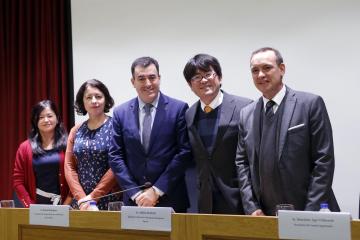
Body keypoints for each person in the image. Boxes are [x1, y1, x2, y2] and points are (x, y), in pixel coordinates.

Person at [235, 47, 340, 216]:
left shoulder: (310, 104)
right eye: (255, 70)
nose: (260, 74)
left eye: (267, 68)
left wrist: (309, 214)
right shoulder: (246, 114)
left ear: (282, 69)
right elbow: (242, 164)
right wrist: (251, 207)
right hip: (264, 216)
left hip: (309, 211)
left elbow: (324, 161)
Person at [109, 56, 192, 212]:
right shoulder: (120, 113)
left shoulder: (179, 109)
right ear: (133, 82)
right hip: (135, 202)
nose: (148, 83)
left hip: (171, 198)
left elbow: (184, 153)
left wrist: (156, 190)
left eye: (152, 77)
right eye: (141, 78)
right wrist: (135, 193)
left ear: (159, 78)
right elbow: (115, 156)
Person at [183, 54, 252, 214]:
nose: (203, 80)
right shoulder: (189, 114)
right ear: (190, 84)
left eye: (208, 74)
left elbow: (253, 158)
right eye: (196, 77)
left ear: (219, 77)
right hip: (205, 201)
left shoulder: (245, 108)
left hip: (240, 199)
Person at [65, 79, 120, 210]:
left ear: (105, 99)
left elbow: (117, 164)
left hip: (110, 200)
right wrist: (82, 198)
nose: (94, 101)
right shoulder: (75, 130)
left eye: (98, 96)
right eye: (89, 97)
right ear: (82, 102)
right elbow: (69, 166)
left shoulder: (116, 127)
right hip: (81, 203)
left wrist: (93, 197)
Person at [13, 100, 71, 207]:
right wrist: (30, 206)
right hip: (34, 206)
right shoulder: (24, 148)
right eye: (41, 117)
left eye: (49, 116)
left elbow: (75, 176)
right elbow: (18, 181)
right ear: (35, 121)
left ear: (57, 118)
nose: (46, 120)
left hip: (63, 206)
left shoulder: (68, 145)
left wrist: (67, 203)